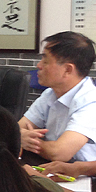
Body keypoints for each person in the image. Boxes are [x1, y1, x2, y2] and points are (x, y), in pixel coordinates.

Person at [20, 31, 96, 162]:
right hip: (47, 164)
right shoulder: (50, 93)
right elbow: (17, 128)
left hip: (77, 171)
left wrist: (24, 139)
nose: (39, 65)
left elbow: (59, 153)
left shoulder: (90, 102)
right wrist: (20, 136)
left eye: (45, 60)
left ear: (67, 70)